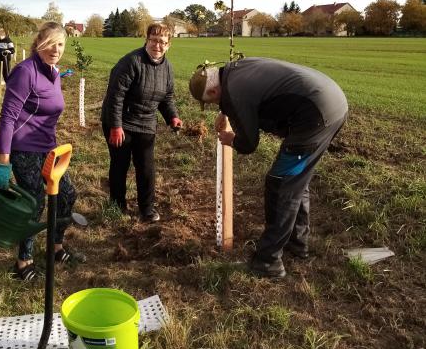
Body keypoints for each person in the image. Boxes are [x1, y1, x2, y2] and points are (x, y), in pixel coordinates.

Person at [189, 57, 348, 279]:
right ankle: (297, 244)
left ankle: (269, 261)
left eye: (213, 103)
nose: (215, 106)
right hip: (332, 101)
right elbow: (243, 94)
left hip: (315, 114)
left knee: (280, 184)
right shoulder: (235, 70)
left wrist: (230, 139)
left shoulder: (234, 93)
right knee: (296, 181)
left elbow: (249, 144)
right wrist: (226, 111)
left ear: (215, 93)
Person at [0, 22, 80, 281]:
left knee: (66, 195)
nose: (56, 49)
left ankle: (56, 246)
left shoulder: (54, 71)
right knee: (34, 203)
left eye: (61, 44)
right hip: (23, 149)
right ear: (38, 42)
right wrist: (3, 161)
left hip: (48, 148)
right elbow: (8, 118)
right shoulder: (25, 72)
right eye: (50, 42)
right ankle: (23, 262)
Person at [101, 23, 182, 222]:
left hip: (146, 122)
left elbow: (167, 97)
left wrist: (173, 116)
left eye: (163, 42)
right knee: (120, 164)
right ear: (146, 40)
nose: (157, 45)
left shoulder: (167, 68)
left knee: (146, 167)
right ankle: (117, 205)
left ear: (168, 45)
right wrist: (115, 126)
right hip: (121, 121)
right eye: (154, 40)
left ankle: (147, 209)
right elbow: (115, 96)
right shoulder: (131, 62)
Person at [0, 27, 15, 93]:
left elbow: (13, 50)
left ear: (1, 34)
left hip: (5, 61)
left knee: (6, 76)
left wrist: (8, 51)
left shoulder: (8, 41)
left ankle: (9, 90)